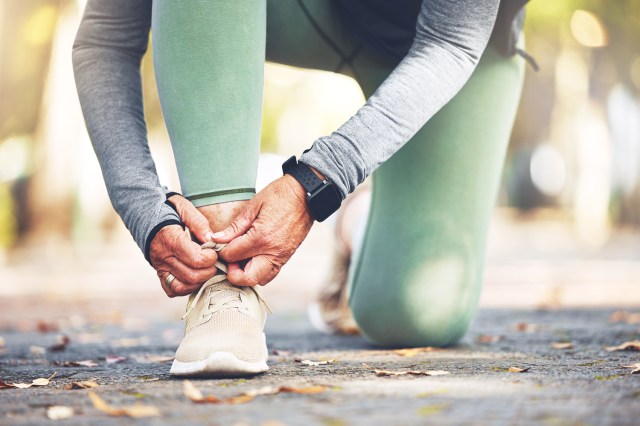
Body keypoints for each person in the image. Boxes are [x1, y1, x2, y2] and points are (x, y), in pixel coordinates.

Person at [73, 0, 528, 377]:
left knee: (417, 315)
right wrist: (144, 209)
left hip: (454, 46)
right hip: (309, 14)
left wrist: (318, 181)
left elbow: (451, 41)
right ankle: (224, 289)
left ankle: (361, 221)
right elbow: (105, 39)